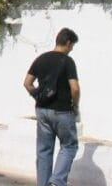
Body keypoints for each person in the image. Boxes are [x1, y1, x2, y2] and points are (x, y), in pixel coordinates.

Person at [23, 28, 80, 186]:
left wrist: (37, 96)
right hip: (62, 110)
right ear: (68, 42)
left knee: (44, 150)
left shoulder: (41, 59)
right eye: (72, 45)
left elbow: (27, 83)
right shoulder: (67, 61)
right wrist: (75, 106)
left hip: (42, 110)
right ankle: (56, 181)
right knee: (69, 146)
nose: (72, 49)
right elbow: (75, 88)